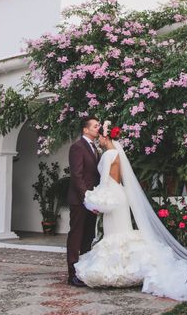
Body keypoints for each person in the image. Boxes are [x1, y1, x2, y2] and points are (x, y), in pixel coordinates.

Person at [74, 121, 187, 301]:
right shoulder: (118, 154)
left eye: (100, 137)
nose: (99, 140)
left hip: (112, 197)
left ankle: (118, 272)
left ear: (106, 137)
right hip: (121, 195)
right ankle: (130, 269)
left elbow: (104, 182)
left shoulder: (107, 155)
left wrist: (95, 200)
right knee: (124, 231)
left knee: (114, 234)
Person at [66, 116, 101, 287]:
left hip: (92, 199)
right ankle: (72, 274)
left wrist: (96, 198)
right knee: (76, 235)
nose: (98, 128)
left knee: (89, 235)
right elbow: (77, 175)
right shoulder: (77, 147)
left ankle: (84, 270)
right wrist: (86, 196)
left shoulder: (96, 148)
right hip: (79, 200)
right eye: (95, 126)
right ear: (85, 130)